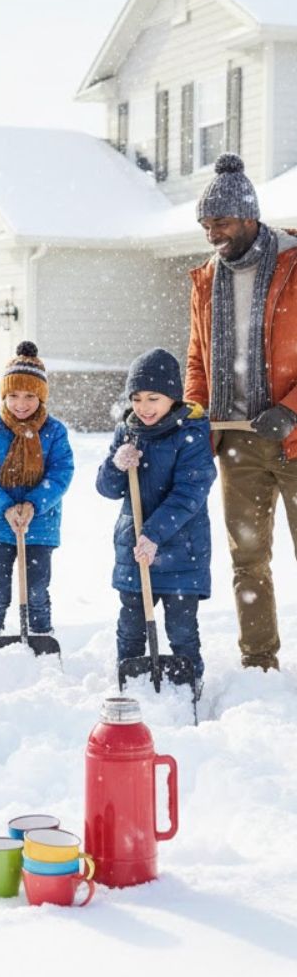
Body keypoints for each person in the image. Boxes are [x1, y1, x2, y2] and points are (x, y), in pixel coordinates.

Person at [186, 153, 297, 671]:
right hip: (236, 441)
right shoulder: (208, 279)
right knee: (247, 559)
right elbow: (198, 359)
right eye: (206, 225)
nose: (213, 234)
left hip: (294, 436)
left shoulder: (293, 265)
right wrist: (195, 413)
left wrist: (291, 409)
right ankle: (258, 662)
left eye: (222, 222)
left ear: (250, 216)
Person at [96, 349, 215, 695]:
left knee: (181, 629)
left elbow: (190, 493)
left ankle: (188, 685)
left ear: (172, 396)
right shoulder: (128, 431)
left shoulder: (191, 434)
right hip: (134, 550)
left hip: (182, 552)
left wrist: (154, 533)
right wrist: (116, 465)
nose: (144, 407)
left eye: (153, 398)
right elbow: (107, 489)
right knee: (131, 628)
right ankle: (130, 685)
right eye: (136, 398)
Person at [0, 341, 74, 652]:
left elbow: (61, 473)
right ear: (4, 395)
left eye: (29, 396)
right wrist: (5, 507)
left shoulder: (54, 431)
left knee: (37, 590)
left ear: (41, 396)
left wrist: (32, 504)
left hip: (39, 524)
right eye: (13, 395)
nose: (21, 404)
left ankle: (42, 638)